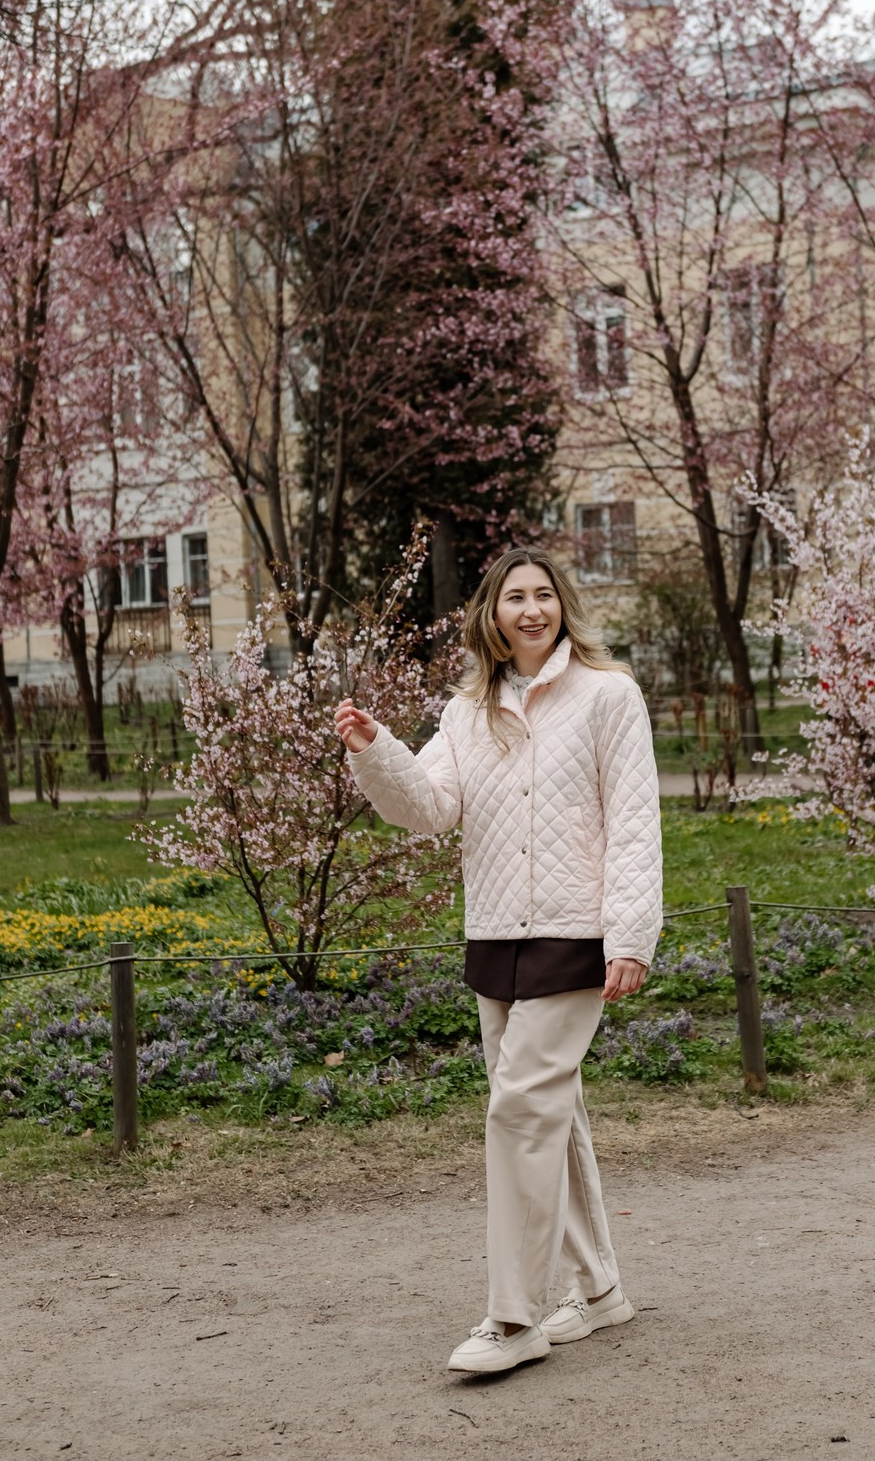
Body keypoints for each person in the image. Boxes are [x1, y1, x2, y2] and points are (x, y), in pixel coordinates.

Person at [335, 545, 663, 1375]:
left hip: (576, 933)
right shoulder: (464, 710)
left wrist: (629, 937)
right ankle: (596, 1290)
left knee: (519, 1110)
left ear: (562, 607)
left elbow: (633, 822)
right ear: (490, 613)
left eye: (543, 595)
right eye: (514, 596)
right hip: (494, 937)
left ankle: (513, 1320)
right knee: (554, 1114)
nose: (530, 609)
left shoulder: (608, 697)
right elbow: (431, 809)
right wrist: (376, 750)